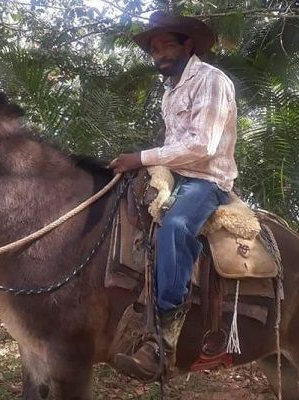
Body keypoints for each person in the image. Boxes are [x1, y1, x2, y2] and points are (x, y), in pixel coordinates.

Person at [110, 11, 238, 382]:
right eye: (154, 48)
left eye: (167, 45)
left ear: (188, 45)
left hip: (206, 179)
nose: (160, 54)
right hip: (174, 175)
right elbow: (174, 147)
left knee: (177, 226)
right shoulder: (170, 89)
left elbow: (202, 146)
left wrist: (141, 157)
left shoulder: (212, 80)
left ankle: (163, 337)